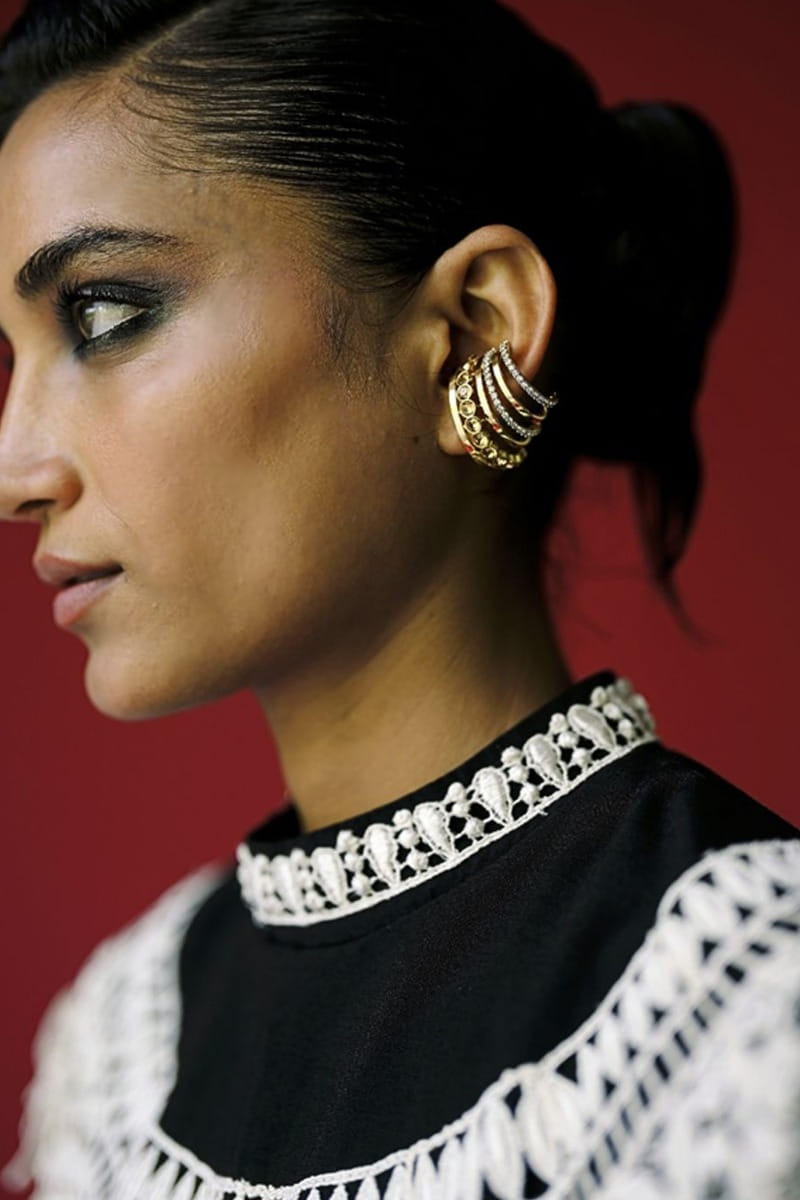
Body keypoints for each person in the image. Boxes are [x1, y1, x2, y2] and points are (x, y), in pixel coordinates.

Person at [0, 0, 797, 1196]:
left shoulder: (752, 1011)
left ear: (473, 333)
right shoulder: (117, 1046)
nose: (15, 470)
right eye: (10, 357)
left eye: (106, 315)